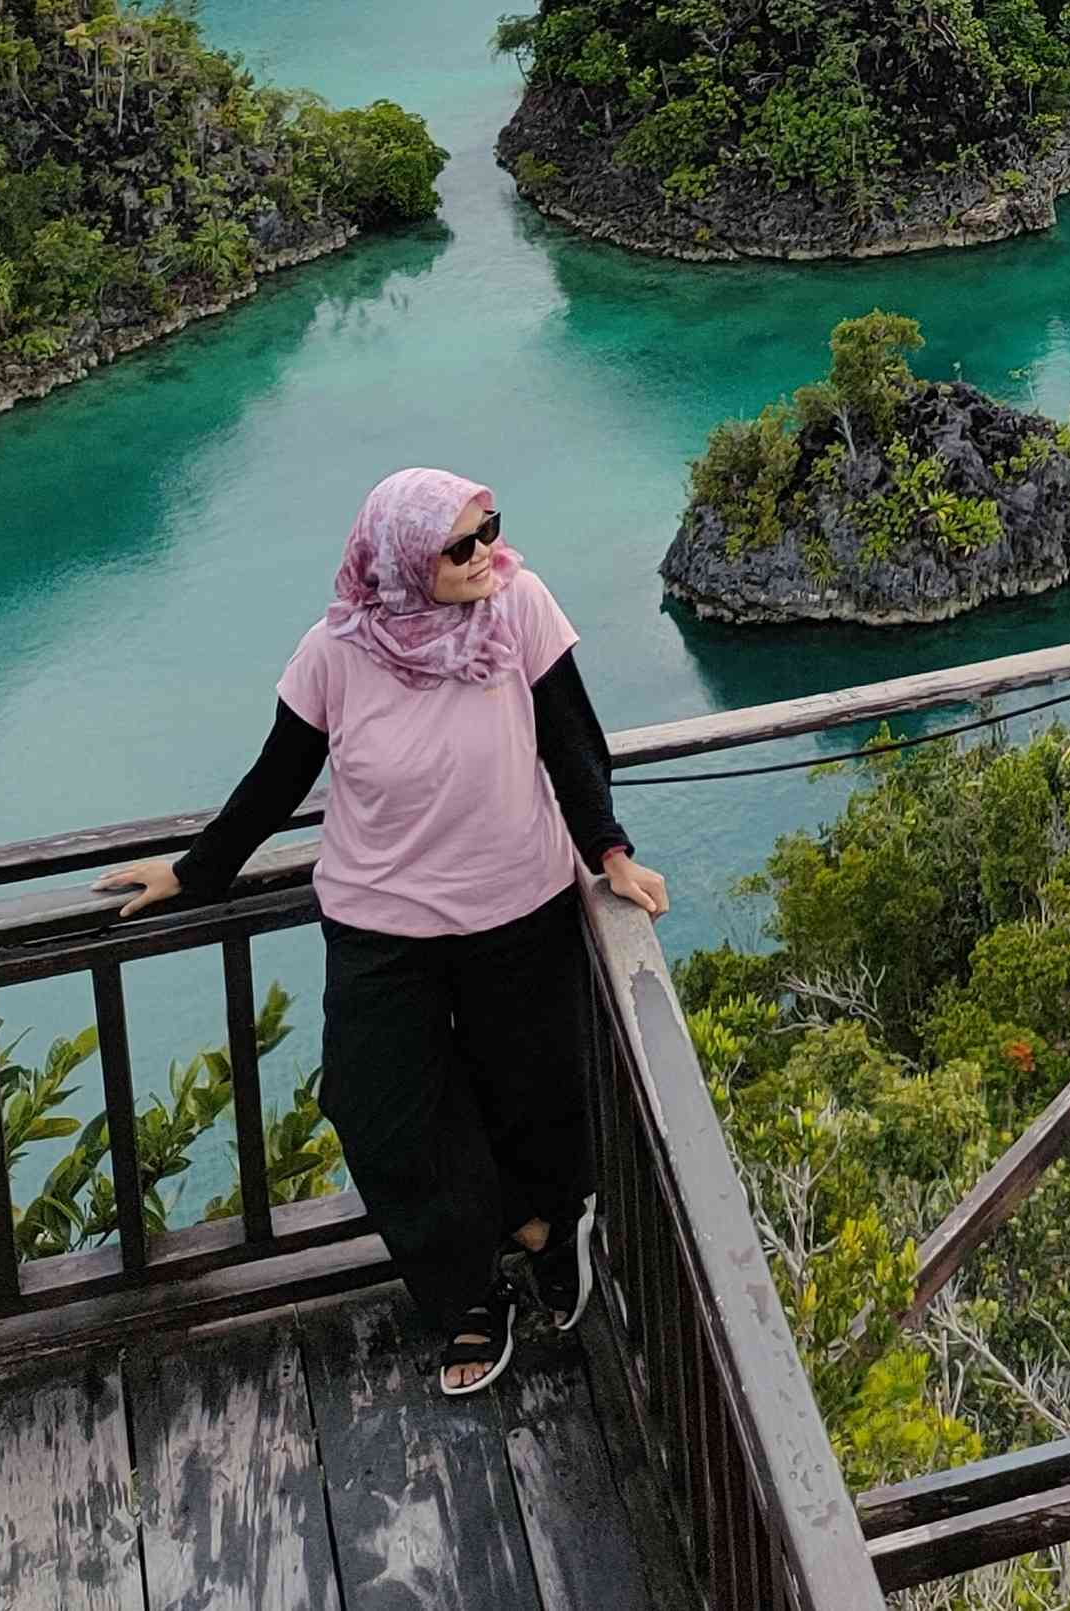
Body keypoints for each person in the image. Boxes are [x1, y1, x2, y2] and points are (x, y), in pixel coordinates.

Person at [103, 466, 669, 1396]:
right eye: (460, 545)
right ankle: (470, 1286)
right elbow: (281, 773)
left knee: (527, 1089)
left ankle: (544, 1224)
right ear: (405, 560)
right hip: (380, 915)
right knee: (375, 1100)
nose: (486, 552)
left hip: (515, 901)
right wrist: (195, 870)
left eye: (490, 528)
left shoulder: (517, 604)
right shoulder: (337, 650)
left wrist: (610, 853)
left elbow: (573, 736)